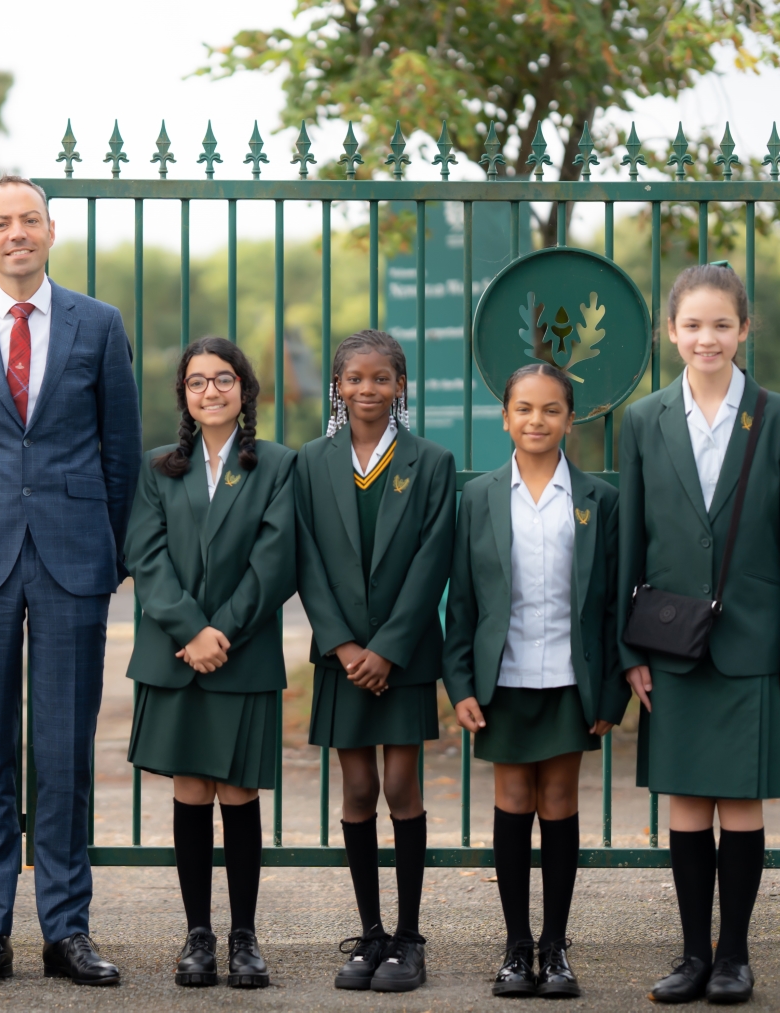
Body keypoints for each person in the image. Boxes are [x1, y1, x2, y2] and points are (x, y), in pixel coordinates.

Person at [0, 175, 142, 988]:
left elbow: (121, 450)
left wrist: (107, 549)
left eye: (29, 220)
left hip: (74, 553)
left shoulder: (98, 323)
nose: (16, 233)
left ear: (51, 231)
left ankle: (66, 930)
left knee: (64, 751)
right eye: (0, 223)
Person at [618, 263, 780, 1005]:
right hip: (670, 643)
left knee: (741, 804)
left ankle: (734, 955)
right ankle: (691, 953)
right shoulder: (643, 421)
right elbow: (629, 544)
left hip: (755, 645)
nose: (708, 337)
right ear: (672, 332)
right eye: (693, 325)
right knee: (686, 805)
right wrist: (629, 649)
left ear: (744, 329)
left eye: (721, 324)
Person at [443, 362, 624, 999]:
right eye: (524, 408)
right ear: (506, 417)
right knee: (513, 803)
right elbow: (461, 602)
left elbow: (613, 605)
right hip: (505, 677)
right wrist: (460, 683)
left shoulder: (600, 500)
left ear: (571, 420)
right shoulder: (480, 497)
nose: (537, 421)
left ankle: (557, 946)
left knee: (560, 805)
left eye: (551, 410)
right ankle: (517, 948)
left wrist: (610, 689)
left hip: (571, 681)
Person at [124, 338, 296, 990]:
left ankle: (245, 936)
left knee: (238, 791)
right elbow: (146, 555)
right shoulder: (158, 467)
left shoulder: (277, 465)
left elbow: (276, 561)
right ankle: (198, 934)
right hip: (175, 653)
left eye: (223, 379)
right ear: (184, 397)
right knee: (191, 788)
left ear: (244, 390)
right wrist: (191, 628)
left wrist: (220, 630)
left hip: (241, 652)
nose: (210, 391)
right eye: (197, 382)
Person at [294, 329, 454, 994]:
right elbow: (304, 558)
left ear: (400, 386)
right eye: (355, 378)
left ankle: (409, 938)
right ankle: (370, 934)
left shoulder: (431, 461)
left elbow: (432, 558)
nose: (367, 389)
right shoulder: (310, 462)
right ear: (337, 387)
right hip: (341, 656)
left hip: (404, 654)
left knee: (401, 787)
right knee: (357, 790)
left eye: (381, 378)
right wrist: (344, 644)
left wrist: (387, 646)